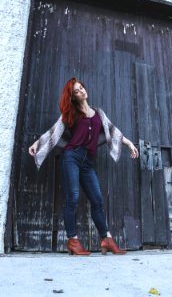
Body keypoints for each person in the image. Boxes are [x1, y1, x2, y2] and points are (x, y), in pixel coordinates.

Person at [29, 77, 139, 255]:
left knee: (97, 200)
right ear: (73, 97)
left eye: (82, 88)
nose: (82, 92)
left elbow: (113, 131)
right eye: (77, 91)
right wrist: (37, 144)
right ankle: (73, 240)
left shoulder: (98, 114)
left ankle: (107, 239)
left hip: (88, 162)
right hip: (71, 157)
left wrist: (129, 144)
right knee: (72, 196)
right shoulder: (71, 113)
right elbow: (54, 131)